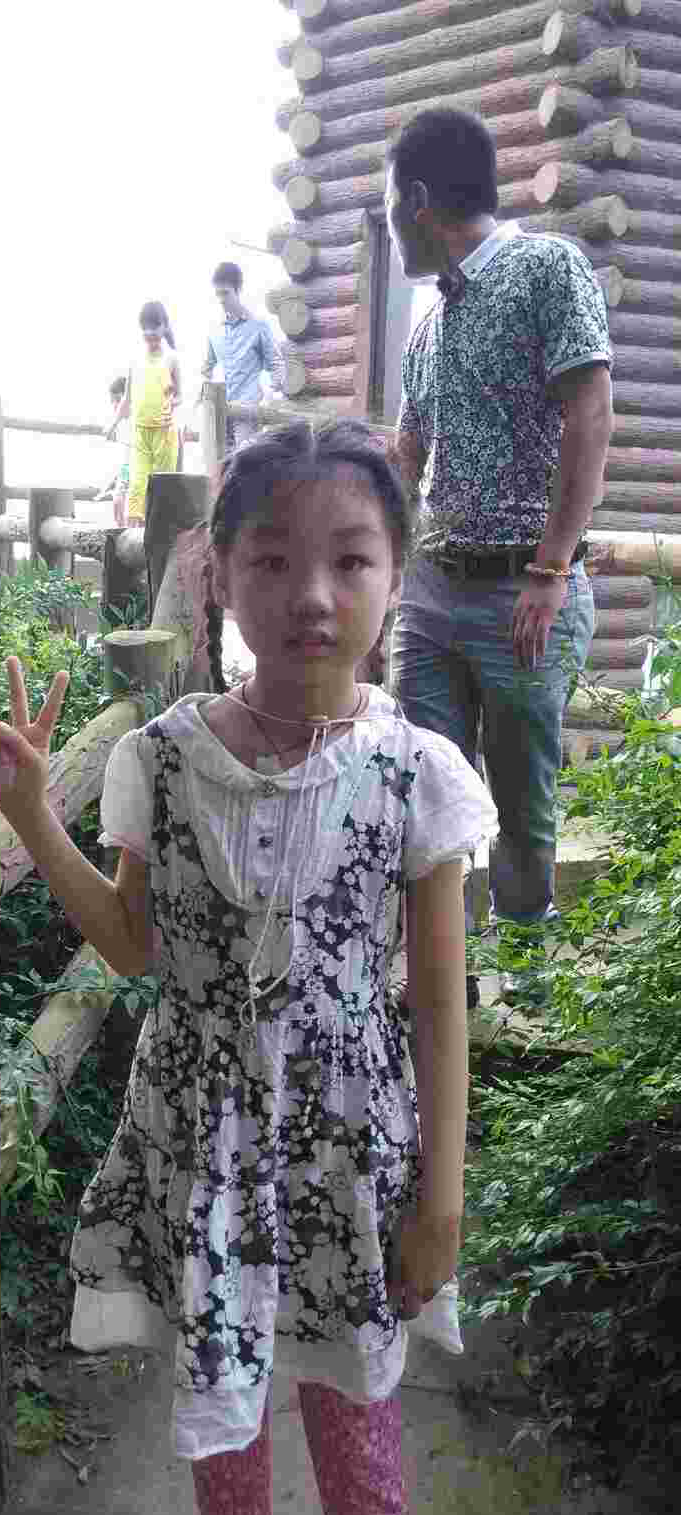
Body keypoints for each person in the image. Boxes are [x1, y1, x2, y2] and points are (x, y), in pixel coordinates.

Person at [0, 419, 497, 1515]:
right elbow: (135, 945)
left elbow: (435, 1000)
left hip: (349, 1156)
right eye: (271, 560)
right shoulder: (163, 761)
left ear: (395, 573)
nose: (311, 594)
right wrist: (32, 817)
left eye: (350, 560)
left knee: (360, 1442)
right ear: (217, 570)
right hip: (199, 1143)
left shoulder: (414, 772)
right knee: (224, 1419)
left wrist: (441, 1200)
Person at [385, 108, 611, 1004]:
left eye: (390, 204)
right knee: (422, 792)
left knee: (521, 801)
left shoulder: (546, 266)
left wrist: (553, 570)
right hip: (430, 595)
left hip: (525, 592)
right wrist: (376, 578)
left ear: (419, 200)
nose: (389, 222)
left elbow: (590, 411)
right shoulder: (427, 326)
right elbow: (406, 457)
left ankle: (526, 984)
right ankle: (442, 977)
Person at [108, 301, 181, 526]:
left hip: (164, 433)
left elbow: (179, 396)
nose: (150, 333)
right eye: (146, 329)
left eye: (154, 328)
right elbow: (127, 399)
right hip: (140, 432)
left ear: (164, 326)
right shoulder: (135, 360)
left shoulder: (171, 358)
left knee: (162, 487)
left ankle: (160, 535)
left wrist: (172, 403)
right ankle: (134, 536)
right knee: (137, 485)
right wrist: (112, 424)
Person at [203, 261, 285, 449]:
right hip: (220, 412)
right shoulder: (214, 331)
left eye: (225, 293)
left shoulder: (258, 326)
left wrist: (270, 395)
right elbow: (206, 368)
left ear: (238, 290)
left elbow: (277, 363)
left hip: (247, 413)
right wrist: (205, 398)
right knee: (219, 462)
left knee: (244, 461)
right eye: (218, 294)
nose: (221, 300)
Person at [95, 375, 131, 526]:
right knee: (119, 495)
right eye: (113, 402)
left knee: (120, 495)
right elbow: (124, 463)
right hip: (127, 468)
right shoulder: (122, 425)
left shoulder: (135, 422)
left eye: (117, 400)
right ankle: (120, 527)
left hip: (135, 468)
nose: (115, 406)